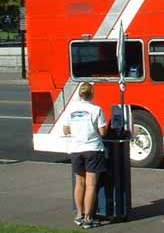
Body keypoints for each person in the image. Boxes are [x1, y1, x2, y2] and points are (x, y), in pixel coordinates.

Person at [63, 83, 107, 229]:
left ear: (79, 94)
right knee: (91, 185)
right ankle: (88, 218)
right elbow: (103, 132)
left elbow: (66, 130)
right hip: (92, 149)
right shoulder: (96, 110)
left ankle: (79, 215)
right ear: (92, 94)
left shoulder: (71, 110)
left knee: (79, 183)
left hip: (76, 149)